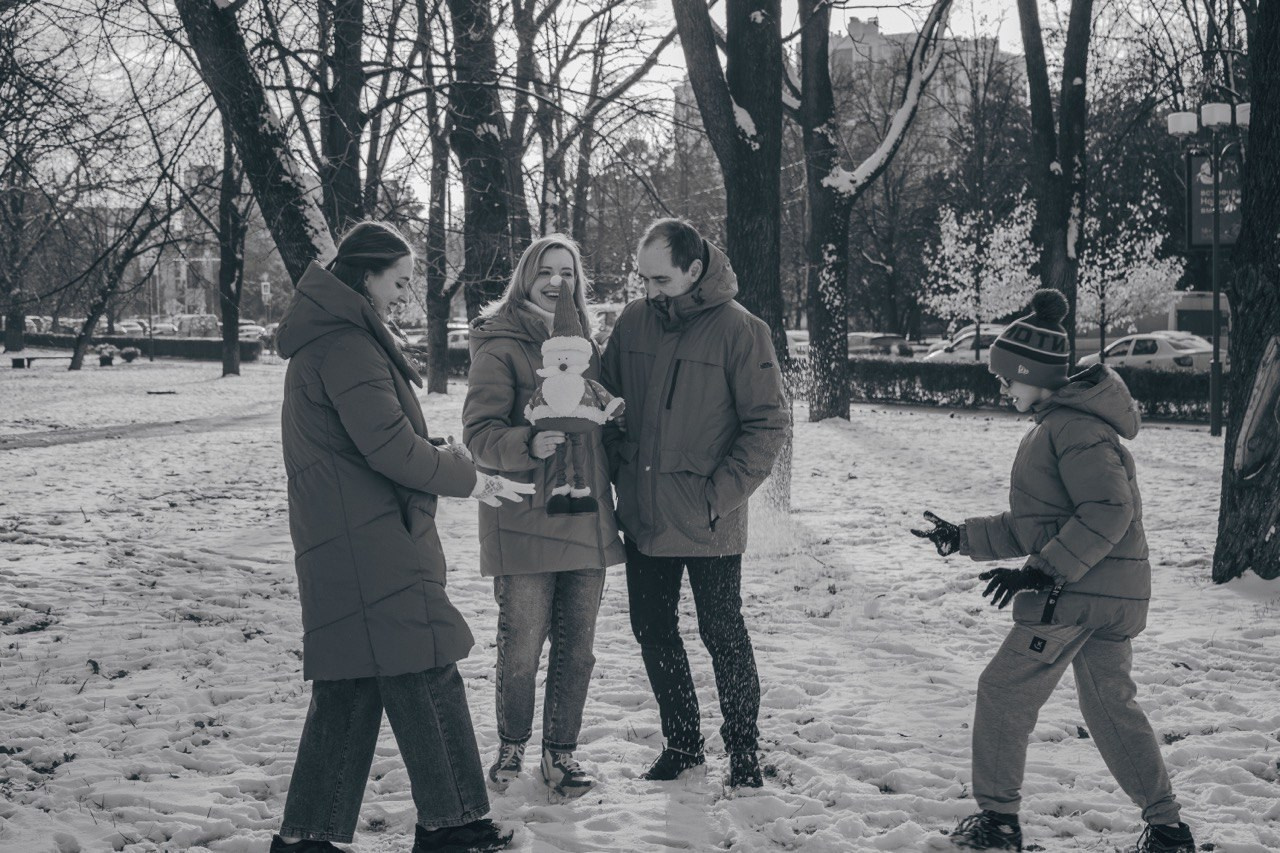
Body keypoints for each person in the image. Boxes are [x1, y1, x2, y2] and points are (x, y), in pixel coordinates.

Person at [271, 221, 533, 853]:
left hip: (352, 533)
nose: (405, 293)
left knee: (354, 685)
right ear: (365, 273)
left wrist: (432, 454)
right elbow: (388, 448)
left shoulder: (334, 339)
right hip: (370, 541)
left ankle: (308, 838)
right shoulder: (346, 346)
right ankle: (456, 826)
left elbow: (371, 442)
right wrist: (470, 479)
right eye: (399, 280)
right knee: (424, 668)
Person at [911, 289, 1195, 853]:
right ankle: (1167, 829)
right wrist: (962, 537)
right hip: (1103, 592)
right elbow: (1034, 524)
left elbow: (1110, 511)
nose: (1002, 386)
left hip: (1078, 592)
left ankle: (997, 823)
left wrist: (1043, 572)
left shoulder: (1073, 429)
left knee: (1003, 690)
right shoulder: (1060, 425)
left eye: (1006, 376)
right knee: (1111, 708)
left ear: (1033, 374)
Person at [599, 218, 789, 788]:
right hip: (644, 512)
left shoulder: (741, 330)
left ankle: (743, 752)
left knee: (723, 635)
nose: (649, 290)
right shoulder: (633, 321)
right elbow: (605, 402)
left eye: (660, 279)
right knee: (652, 631)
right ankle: (682, 744)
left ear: (694, 270)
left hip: (709, 517)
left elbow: (767, 424)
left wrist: (719, 497)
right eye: (643, 278)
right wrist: (618, 472)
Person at [462, 234, 626, 797]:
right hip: (523, 520)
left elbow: (606, 426)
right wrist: (526, 446)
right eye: (546, 272)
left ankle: (561, 756)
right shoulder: (500, 347)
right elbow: (479, 436)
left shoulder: (589, 349)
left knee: (577, 649)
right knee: (522, 646)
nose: (558, 282)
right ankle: (511, 744)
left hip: (585, 518)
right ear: (526, 278)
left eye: (569, 272)